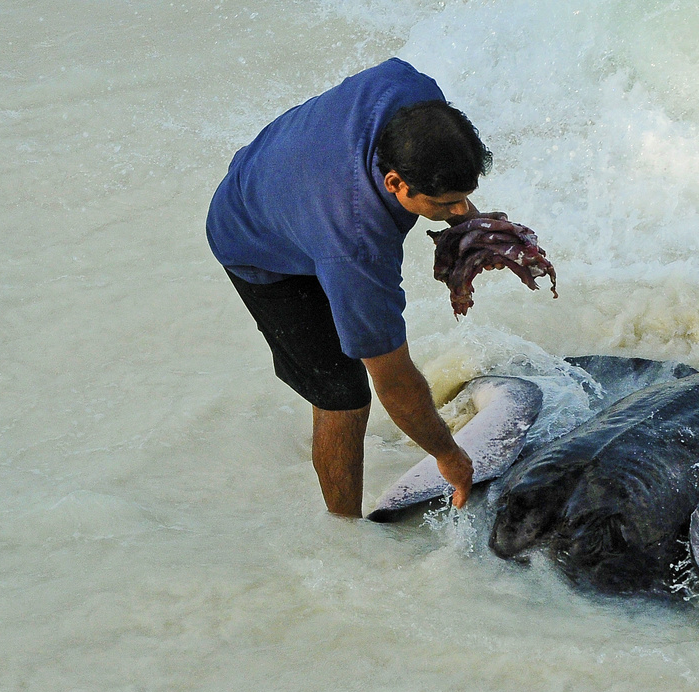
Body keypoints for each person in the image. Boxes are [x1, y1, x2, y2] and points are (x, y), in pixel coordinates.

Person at [207, 58, 489, 517]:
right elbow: (394, 382)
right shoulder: (357, 246)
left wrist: (467, 221)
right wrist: (448, 456)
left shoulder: (412, 89)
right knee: (342, 394)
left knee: (350, 365)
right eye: (445, 203)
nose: (461, 212)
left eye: (464, 195)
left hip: (283, 174)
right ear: (395, 182)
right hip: (252, 236)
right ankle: (345, 531)